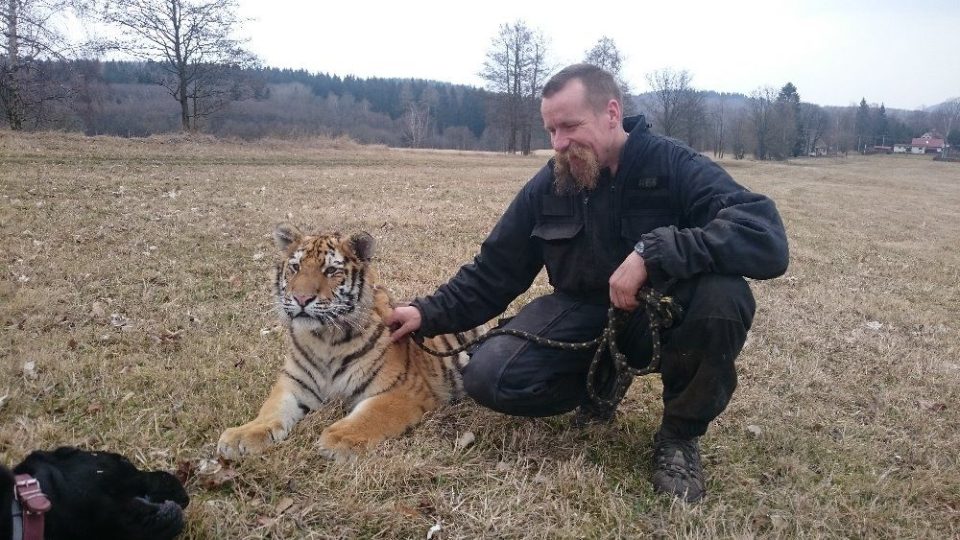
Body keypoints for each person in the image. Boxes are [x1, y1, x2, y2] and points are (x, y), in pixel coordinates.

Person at [386, 63, 789, 503]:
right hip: (578, 312)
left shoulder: (674, 165)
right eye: (551, 130)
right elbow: (494, 270)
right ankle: (603, 380)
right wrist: (426, 312)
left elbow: (764, 236)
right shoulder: (550, 183)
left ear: (611, 113)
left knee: (724, 297)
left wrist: (653, 253)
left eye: (570, 126)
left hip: (656, 313)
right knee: (489, 376)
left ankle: (679, 436)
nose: (559, 143)